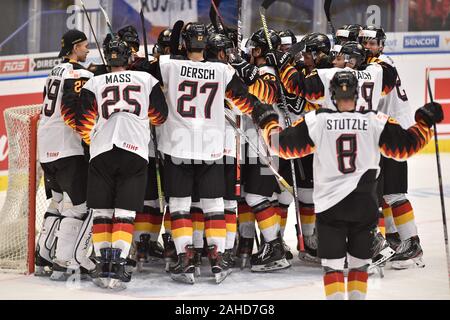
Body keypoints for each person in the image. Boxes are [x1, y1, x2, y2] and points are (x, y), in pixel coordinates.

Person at [252, 70, 443, 299]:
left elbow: (279, 146)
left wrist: (268, 121)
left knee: (333, 267)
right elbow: (406, 148)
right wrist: (425, 122)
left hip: (329, 208)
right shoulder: (375, 121)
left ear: (332, 94)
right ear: (357, 94)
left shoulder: (317, 120)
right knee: (359, 265)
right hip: (364, 206)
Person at [157, 22, 263, 284]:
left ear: (185, 44)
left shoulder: (168, 65)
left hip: (177, 146)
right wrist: (263, 114)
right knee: (214, 205)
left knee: (180, 206)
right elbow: (245, 101)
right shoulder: (222, 70)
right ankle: (217, 258)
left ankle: (185, 259)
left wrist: (172, 49)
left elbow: (138, 73)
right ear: (206, 45)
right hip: (211, 148)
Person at [78, 36, 168, 289]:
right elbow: (160, 117)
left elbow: (82, 123)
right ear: (128, 58)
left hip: (102, 151)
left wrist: (94, 139)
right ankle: (117, 263)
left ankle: (103, 263)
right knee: (125, 213)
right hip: (134, 151)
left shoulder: (93, 82)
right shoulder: (146, 79)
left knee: (103, 212)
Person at [359, 25, 425, 269]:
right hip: (391, 132)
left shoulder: (378, 66)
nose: (368, 47)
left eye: (372, 43)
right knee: (386, 193)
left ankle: (411, 242)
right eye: (364, 42)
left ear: (381, 45)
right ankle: (399, 239)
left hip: (394, 134)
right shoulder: (378, 63)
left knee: (391, 193)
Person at [36, 29, 94, 280]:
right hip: (67, 149)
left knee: (58, 202)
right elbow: (74, 113)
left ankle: (42, 256)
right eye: (84, 46)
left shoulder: (54, 71)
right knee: (79, 207)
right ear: (74, 47)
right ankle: (63, 260)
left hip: (46, 147)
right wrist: (90, 138)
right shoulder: (79, 74)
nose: (87, 50)